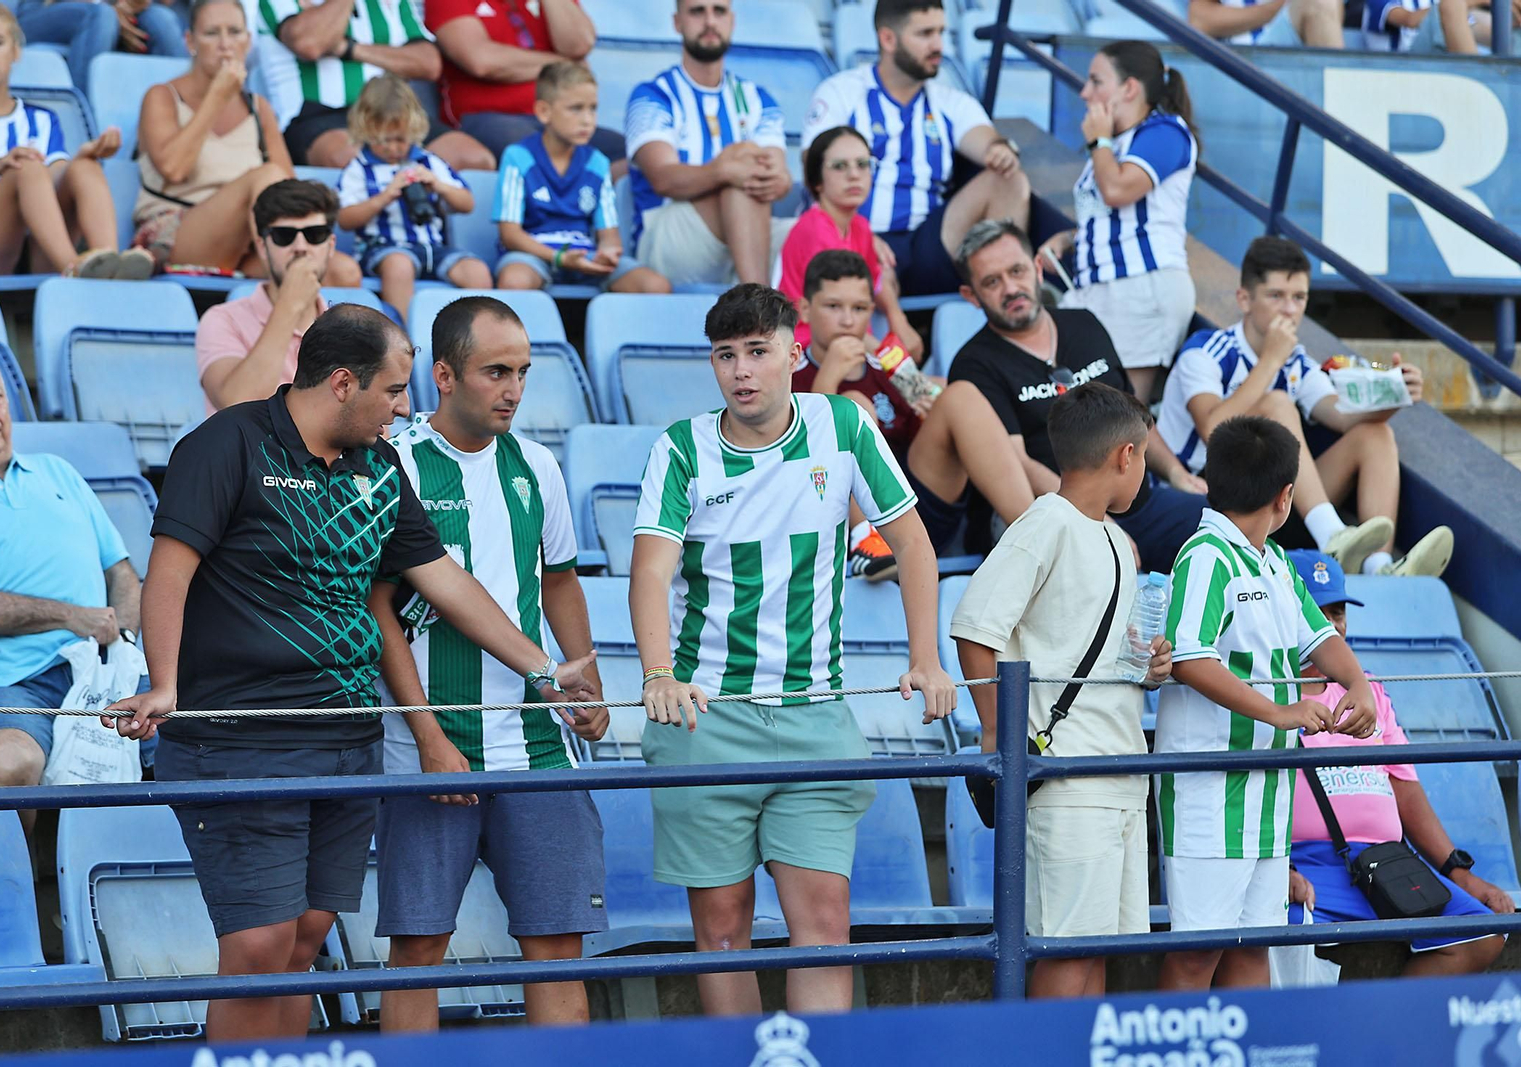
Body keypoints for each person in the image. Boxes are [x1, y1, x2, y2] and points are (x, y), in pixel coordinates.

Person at [104, 304, 598, 1042]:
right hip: (238, 742)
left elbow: (448, 582)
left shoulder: (380, 464)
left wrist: (545, 668)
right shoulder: (226, 443)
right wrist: (164, 680)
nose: (404, 408)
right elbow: (168, 570)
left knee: (305, 937)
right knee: (258, 945)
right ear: (342, 382)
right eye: (394, 391)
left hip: (347, 740)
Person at [630, 283, 956, 1016]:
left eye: (757, 351)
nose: (742, 370)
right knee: (720, 931)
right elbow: (649, 568)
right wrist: (656, 673)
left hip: (815, 716)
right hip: (704, 719)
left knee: (823, 928)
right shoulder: (681, 446)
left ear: (794, 353)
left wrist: (926, 657)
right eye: (725, 354)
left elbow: (912, 543)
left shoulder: (843, 423)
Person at [370, 296, 609, 1030]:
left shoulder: (538, 465)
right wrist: (429, 736)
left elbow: (560, 577)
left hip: (537, 746)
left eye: (524, 372)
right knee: (419, 944)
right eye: (494, 371)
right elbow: (375, 607)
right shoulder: (393, 464)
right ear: (443, 374)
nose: (512, 389)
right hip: (427, 748)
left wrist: (584, 675)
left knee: (557, 942)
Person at [952, 383, 1173, 1000]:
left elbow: (1088, 643)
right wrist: (1002, 739)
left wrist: (1146, 664)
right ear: (1125, 456)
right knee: (1066, 956)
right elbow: (974, 629)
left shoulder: (1112, 539)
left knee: (1097, 956)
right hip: (1067, 781)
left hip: (1119, 770)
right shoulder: (1046, 522)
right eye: (1145, 458)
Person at [1155, 415, 1378, 992]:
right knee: (1195, 957)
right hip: (1209, 789)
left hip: (1269, 788)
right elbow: (1187, 655)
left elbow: (1320, 637)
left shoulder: (1274, 560)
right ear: (1285, 497)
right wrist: (1280, 713)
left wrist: (1356, 684)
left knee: (1256, 950)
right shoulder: (1207, 555)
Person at [0, 349, 142, 828]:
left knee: (205, 735)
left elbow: (122, 573)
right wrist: (69, 615)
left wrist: (122, 645)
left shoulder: (58, 471)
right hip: (11, 683)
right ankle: (13, 892)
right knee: (12, 762)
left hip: (102, 673)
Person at [1157, 236, 1452, 578]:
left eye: (1299, 298)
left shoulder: (1296, 360)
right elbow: (1213, 430)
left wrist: (1393, 396)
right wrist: (1271, 359)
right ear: (1244, 299)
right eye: (1276, 296)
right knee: (1278, 404)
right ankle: (1333, 536)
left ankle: (1379, 568)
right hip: (1205, 499)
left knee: (1375, 434)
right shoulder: (1206, 351)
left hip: (1273, 504)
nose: (1290, 310)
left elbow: (1341, 418)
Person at [1283, 549, 1512, 977]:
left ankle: (1386, 1036)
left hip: (1387, 863)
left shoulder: (1369, 690)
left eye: (1338, 611)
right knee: (1272, 931)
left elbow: (1405, 787)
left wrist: (1457, 871)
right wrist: (1278, 869)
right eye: (1318, 611)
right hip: (1307, 862)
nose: (1333, 624)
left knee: (1483, 934)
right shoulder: (1269, 688)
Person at [949, 219, 1207, 574]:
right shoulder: (973, 364)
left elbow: (1138, 420)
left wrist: (1178, 474)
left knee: (1221, 527)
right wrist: (1092, 523)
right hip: (1048, 517)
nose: (1011, 288)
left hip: (1138, 504)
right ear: (971, 296)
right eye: (992, 282)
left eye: (1017, 271)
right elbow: (1017, 463)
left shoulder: (1083, 324)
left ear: (1038, 269)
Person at [793, 249, 1033, 576]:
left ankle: (1037, 535)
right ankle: (868, 542)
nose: (848, 320)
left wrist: (929, 413)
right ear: (805, 310)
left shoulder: (886, 367)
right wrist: (829, 376)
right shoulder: (791, 371)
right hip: (835, 518)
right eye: (834, 307)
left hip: (913, 509)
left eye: (860, 308)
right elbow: (800, 457)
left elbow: (917, 440)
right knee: (853, 406)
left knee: (958, 395)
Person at [801, 0, 1031, 298]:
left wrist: (999, 149)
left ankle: (1009, 295)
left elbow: (985, 140)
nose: (938, 45)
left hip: (927, 243)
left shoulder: (952, 101)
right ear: (888, 39)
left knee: (1008, 179)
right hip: (851, 239)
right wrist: (859, 234)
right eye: (925, 34)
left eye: (941, 32)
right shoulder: (841, 92)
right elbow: (813, 172)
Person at [132, 0, 357, 285]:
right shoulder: (162, 96)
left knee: (343, 272)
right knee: (265, 178)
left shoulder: (259, 108)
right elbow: (174, 169)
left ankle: (306, 321)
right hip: (176, 234)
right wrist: (216, 98)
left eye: (235, 32)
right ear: (190, 41)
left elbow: (288, 191)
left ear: (248, 41)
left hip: (249, 245)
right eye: (212, 33)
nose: (225, 44)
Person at [0, 2, 154, 279]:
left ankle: (110, 264)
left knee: (84, 167)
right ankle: (75, 270)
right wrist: (0, 166)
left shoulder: (42, 119)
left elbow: (58, 177)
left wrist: (84, 155)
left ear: (15, 51)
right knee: (26, 168)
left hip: (37, 245)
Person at [1035, 42, 1198, 399]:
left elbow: (1118, 190)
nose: (1084, 92)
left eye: (1096, 81)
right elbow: (1111, 215)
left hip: (1140, 287)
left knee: (1120, 413)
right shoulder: (1114, 144)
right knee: (1080, 410)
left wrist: (1098, 143)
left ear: (1129, 88)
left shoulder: (1165, 132)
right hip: (1098, 290)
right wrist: (1067, 239)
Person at [623, 0, 794, 288]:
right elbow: (664, 179)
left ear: (732, 21)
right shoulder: (652, 96)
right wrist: (724, 172)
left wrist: (780, 181)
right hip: (669, 236)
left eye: (719, 11)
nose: (710, 21)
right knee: (743, 159)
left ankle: (775, 310)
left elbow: (778, 174)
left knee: (818, 230)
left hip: (746, 232)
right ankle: (760, 308)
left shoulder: (757, 98)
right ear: (677, 22)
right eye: (697, 11)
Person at [252, 0, 492, 171]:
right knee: (353, 160)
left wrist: (348, 49)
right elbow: (310, 44)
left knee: (475, 159)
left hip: (392, 113)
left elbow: (428, 63)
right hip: (316, 114)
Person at [492, 62, 668, 294]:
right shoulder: (518, 157)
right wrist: (559, 258)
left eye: (593, 108)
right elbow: (510, 235)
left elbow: (609, 236)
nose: (587, 120)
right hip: (533, 255)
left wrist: (608, 253)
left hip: (584, 256)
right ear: (544, 112)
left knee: (655, 286)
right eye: (576, 109)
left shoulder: (597, 162)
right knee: (514, 281)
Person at [336, 74, 493, 326]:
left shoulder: (428, 161)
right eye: (383, 140)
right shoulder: (359, 168)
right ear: (366, 131)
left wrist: (437, 185)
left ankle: (474, 339)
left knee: (477, 271)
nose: (393, 148)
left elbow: (467, 204)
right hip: (384, 247)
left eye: (401, 139)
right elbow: (345, 219)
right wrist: (386, 196)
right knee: (399, 266)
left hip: (433, 248)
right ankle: (403, 338)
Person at [776, 125, 921, 358]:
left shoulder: (860, 227)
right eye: (839, 166)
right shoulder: (814, 230)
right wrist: (893, 363)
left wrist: (898, 320)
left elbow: (878, 280)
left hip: (854, 347)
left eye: (863, 164)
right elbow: (839, 324)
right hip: (812, 351)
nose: (854, 174)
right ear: (817, 181)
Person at [196, 180, 341, 414]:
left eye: (315, 234)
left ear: (331, 245)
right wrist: (289, 304)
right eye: (284, 236)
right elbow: (239, 406)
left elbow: (375, 427)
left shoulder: (347, 327)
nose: (301, 246)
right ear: (263, 247)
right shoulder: (222, 319)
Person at [423, 0, 625, 164]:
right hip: (486, 118)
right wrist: (564, 64)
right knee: (540, 150)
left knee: (626, 153)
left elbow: (579, 45)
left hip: (559, 116)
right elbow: (482, 61)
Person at [15, 0, 188, 97]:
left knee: (162, 20)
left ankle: (185, 112)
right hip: (39, 13)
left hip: (113, 9)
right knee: (101, 15)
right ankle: (81, 121)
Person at [1363, 0, 1519, 51]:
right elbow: (1410, 20)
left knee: (1513, 24)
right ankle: (1484, 83)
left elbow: (1472, 25)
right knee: (1452, 5)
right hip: (1405, 67)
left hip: (1441, 57)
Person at [1187, 0, 1344, 47]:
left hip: (1294, 55)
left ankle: (1340, 117)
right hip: (1241, 59)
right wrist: (1279, 7)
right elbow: (1200, 20)